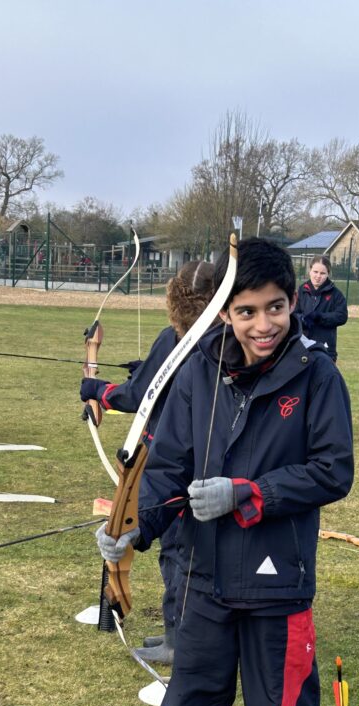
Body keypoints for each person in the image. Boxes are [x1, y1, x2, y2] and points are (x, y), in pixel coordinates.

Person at [96, 237, 354, 706]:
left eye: (275, 307)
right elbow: (168, 471)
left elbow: (334, 471)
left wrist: (249, 492)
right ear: (224, 312)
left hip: (279, 591)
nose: (262, 324)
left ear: (294, 302)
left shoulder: (317, 376)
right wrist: (134, 527)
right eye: (245, 311)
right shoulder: (198, 374)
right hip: (205, 586)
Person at [80, 260, 216, 665]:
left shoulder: (177, 337)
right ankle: (177, 630)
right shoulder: (217, 338)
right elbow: (156, 378)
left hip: (174, 457)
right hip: (196, 460)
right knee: (178, 550)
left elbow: (139, 394)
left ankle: (181, 640)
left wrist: (98, 390)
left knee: (178, 552)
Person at [294, 255, 348, 362]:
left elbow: (342, 316)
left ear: (328, 274)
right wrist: (303, 319)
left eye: (322, 273)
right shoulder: (301, 291)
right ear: (310, 271)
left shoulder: (335, 294)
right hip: (303, 347)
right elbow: (293, 313)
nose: (318, 276)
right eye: (315, 272)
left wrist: (319, 317)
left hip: (326, 348)